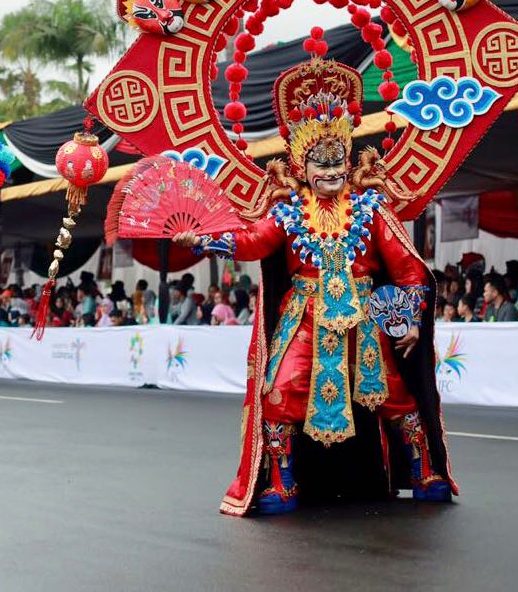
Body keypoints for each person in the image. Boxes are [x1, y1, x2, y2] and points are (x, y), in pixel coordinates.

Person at [175, 54, 454, 516]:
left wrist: (408, 319)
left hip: (365, 317)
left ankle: (424, 471)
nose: (330, 171)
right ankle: (282, 482)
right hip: (303, 317)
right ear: (301, 166)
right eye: (319, 163)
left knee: (395, 396)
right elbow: (251, 242)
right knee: (280, 392)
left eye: (337, 160)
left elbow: (407, 268)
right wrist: (204, 239)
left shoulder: (370, 209)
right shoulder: (285, 213)